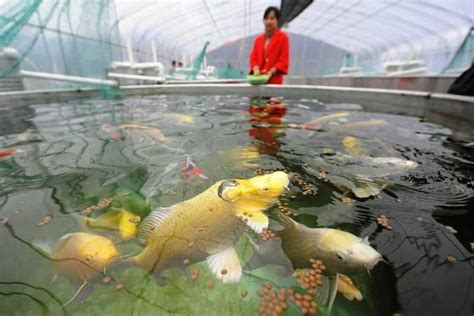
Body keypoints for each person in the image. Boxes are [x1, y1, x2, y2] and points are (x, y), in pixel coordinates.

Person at [249, 7, 289, 85]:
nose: (268, 21)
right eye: (266, 18)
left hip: (274, 82)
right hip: (258, 82)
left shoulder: (283, 38)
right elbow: (253, 57)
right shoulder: (258, 39)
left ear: (277, 20)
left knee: (274, 97)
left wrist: (272, 71)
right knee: (256, 97)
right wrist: (256, 68)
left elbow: (284, 60)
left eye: (272, 18)